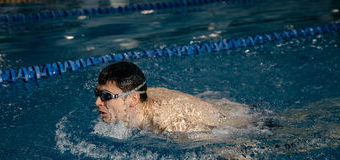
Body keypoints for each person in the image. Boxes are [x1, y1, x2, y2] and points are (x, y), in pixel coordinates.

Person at [95, 61, 253, 134]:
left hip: (249, 122)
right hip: (228, 108)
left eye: (105, 96)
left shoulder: (169, 124)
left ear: (133, 99)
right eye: (97, 94)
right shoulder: (139, 96)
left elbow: (223, 144)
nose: (97, 102)